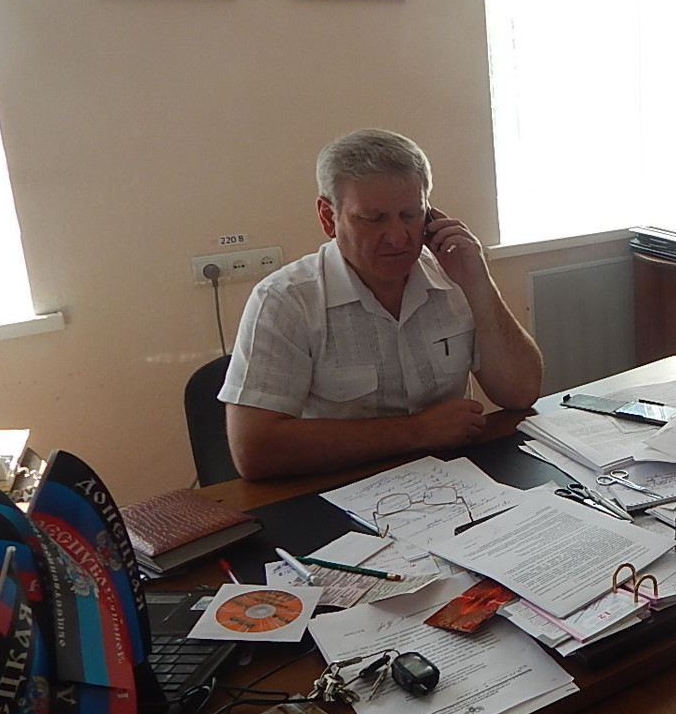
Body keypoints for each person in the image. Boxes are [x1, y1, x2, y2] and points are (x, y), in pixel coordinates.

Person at [220, 129, 542, 479]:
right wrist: (416, 431)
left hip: (457, 480)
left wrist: (479, 285)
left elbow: (520, 393)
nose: (398, 238)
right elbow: (254, 450)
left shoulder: (454, 275)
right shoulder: (285, 300)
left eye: (411, 214)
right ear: (328, 217)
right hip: (340, 486)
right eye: (374, 219)